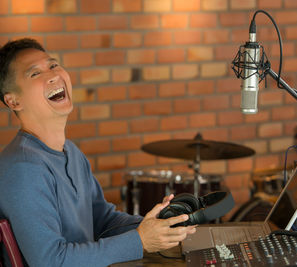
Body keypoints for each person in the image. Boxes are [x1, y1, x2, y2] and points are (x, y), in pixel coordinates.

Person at [0, 38, 196, 267]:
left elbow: (103, 221)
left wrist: (161, 227)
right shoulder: (23, 169)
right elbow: (51, 261)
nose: (52, 75)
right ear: (13, 101)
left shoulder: (71, 153)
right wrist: (140, 241)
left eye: (53, 65)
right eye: (35, 74)